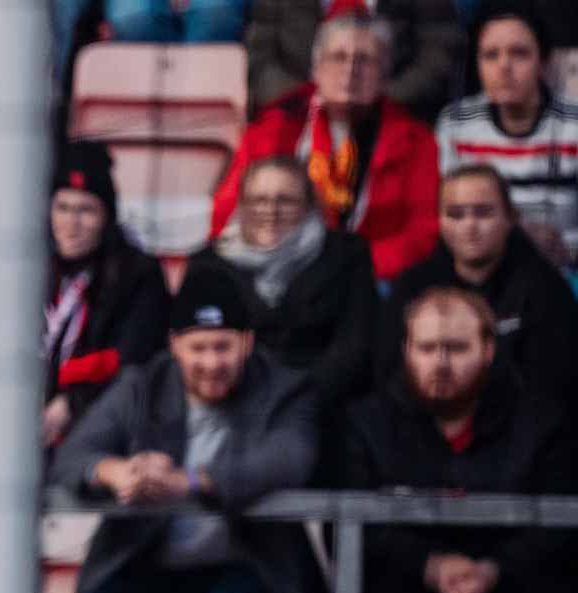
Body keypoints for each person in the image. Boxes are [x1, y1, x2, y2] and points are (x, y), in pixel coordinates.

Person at [50, 272, 320, 593]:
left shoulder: (284, 389)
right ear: (175, 345)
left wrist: (188, 481)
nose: (211, 363)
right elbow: (72, 455)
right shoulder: (141, 386)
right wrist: (116, 472)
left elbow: (290, 458)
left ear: (247, 342)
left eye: (222, 347)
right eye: (198, 349)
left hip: (245, 562)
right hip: (144, 559)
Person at [343, 286, 577, 593]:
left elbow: (558, 527)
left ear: (488, 350)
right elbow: (355, 526)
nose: (440, 363)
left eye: (456, 348)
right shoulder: (365, 424)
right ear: (407, 350)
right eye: (427, 348)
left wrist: (492, 571)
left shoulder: (542, 424)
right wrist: (432, 566)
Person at [213, 12, 442, 283]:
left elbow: (421, 233)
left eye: (365, 60)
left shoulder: (415, 139)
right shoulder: (272, 128)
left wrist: (353, 269)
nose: (350, 70)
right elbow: (227, 213)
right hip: (280, 270)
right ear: (316, 69)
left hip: (370, 277)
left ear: (385, 75)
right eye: (338, 57)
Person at [377, 164, 578, 410]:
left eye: (483, 213)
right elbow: (388, 376)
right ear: (439, 219)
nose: (469, 226)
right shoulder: (412, 287)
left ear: (511, 218)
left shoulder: (546, 289)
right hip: (423, 422)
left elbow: (555, 386)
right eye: (455, 214)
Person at [186, 155, 378, 406]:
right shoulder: (208, 263)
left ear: (308, 205)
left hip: (323, 402)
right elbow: (197, 346)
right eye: (259, 200)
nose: (271, 211)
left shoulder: (346, 256)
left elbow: (354, 348)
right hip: (233, 403)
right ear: (242, 205)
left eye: (285, 200)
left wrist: (297, 400)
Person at [42, 141, 171, 449]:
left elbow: (132, 359)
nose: (71, 223)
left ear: (107, 217)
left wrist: (70, 403)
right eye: (63, 208)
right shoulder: (30, 269)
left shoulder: (137, 273)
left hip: (100, 424)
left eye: (86, 210)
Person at [436, 4, 578, 268]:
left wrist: (567, 248)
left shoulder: (574, 125)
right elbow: (447, 214)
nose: (504, 66)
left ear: (544, 63)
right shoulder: (457, 123)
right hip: (480, 268)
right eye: (490, 55)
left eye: (519, 53)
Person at [245, 0, 465, 123]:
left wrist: (379, 100)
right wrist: (310, 100)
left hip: (394, 117)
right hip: (296, 117)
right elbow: (260, 61)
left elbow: (440, 54)